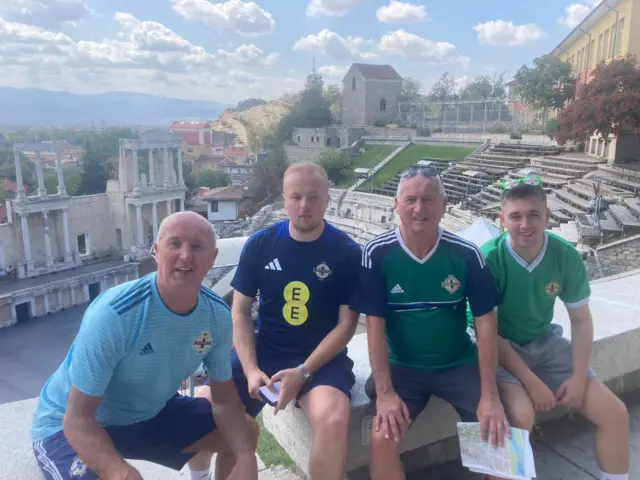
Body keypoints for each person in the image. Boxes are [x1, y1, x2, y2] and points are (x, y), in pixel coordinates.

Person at [30, 211, 258, 480]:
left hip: (147, 415)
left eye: (197, 246)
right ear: (157, 252)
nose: (185, 255)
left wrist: (245, 458)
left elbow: (224, 400)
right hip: (69, 423)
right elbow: (77, 419)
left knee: (245, 433)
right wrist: (120, 472)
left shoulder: (217, 316)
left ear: (213, 258)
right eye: (175, 244)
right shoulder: (116, 314)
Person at [194, 162, 362, 480]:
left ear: (328, 199)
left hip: (322, 361)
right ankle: (198, 476)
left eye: (313, 197)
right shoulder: (261, 243)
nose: (304, 205)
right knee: (203, 408)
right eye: (295, 196)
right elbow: (240, 312)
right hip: (266, 350)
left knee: (334, 419)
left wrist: (304, 371)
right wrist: (251, 368)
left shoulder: (347, 252)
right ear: (284, 199)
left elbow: (346, 326)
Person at [350, 166, 510, 480]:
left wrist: (490, 396)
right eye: (410, 199)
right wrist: (384, 393)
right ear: (396, 204)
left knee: (496, 435)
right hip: (403, 368)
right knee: (381, 439)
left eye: (428, 199)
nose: (419, 208)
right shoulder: (377, 254)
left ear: (444, 205)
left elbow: (486, 328)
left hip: (458, 364)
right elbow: (375, 329)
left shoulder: (466, 255)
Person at [474, 178, 630, 480]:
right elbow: (487, 333)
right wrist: (531, 381)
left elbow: (581, 320)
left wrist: (578, 377)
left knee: (615, 414)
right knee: (519, 418)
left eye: (533, 214)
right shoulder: (489, 258)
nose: (525, 224)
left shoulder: (564, 254)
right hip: (500, 346)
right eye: (516, 216)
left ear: (547, 216)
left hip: (544, 341)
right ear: (501, 220)